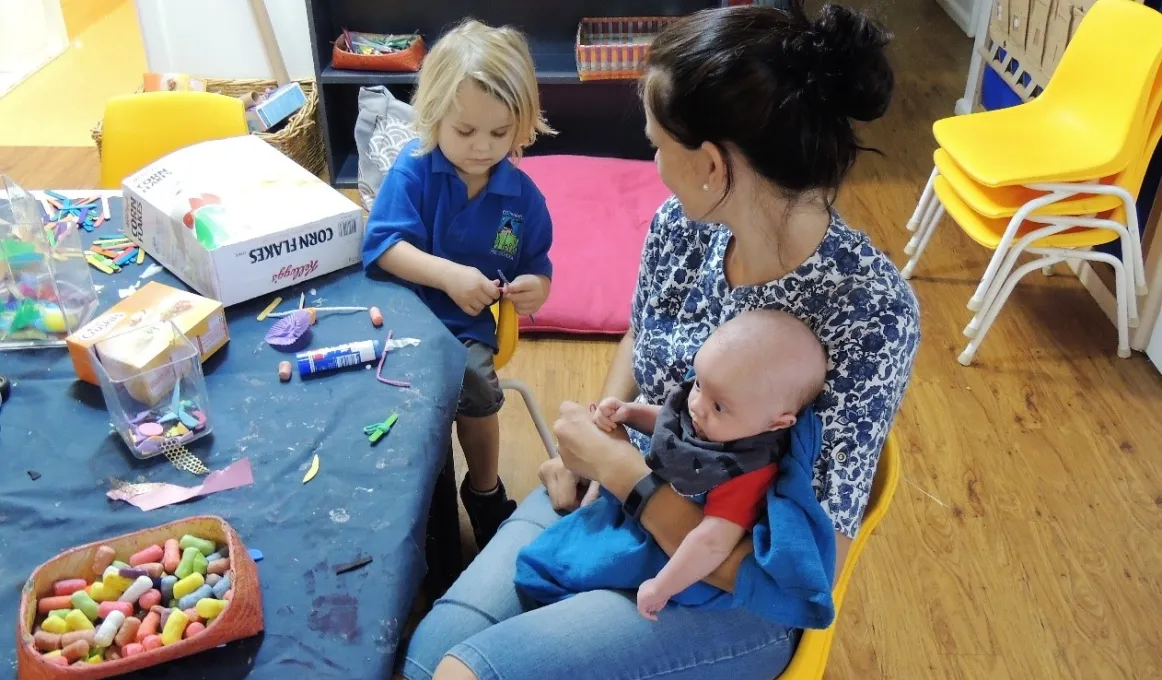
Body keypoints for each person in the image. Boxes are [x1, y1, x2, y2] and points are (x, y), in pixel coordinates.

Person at [396, 2, 920, 678]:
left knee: (470, 672)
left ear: (710, 164)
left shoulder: (868, 311)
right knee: (433, 650)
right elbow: (647, 331)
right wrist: (597, 434)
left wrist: (623, 475)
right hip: (620, 502)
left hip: (730, 592)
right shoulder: (683, 222)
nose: (651, 161)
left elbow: (795, 576)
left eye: (655, 144)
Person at [361, 19, 555, 548]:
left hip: (465, 328)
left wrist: (537, 286)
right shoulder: (414, 171)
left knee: (472, 382)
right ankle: (421, 495)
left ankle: (486, 491)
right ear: (433, 117)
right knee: (397, 397)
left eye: (500, 133)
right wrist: (447, 275)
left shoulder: (522, 198)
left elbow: (536, 262)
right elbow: (382, 246)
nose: (482, 147)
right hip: (402, 314)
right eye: (465, 131)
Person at [588, 309, 827, 620]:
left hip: (680, 569)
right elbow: (670, 425)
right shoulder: (716, 412)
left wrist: (662, 588)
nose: (697, 406)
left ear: (776, 423)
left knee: (580, 567)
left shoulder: (745, 471)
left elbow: (712, 542)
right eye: (699, 383)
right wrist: (629, 412)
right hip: (638, 512)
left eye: (718, 406)